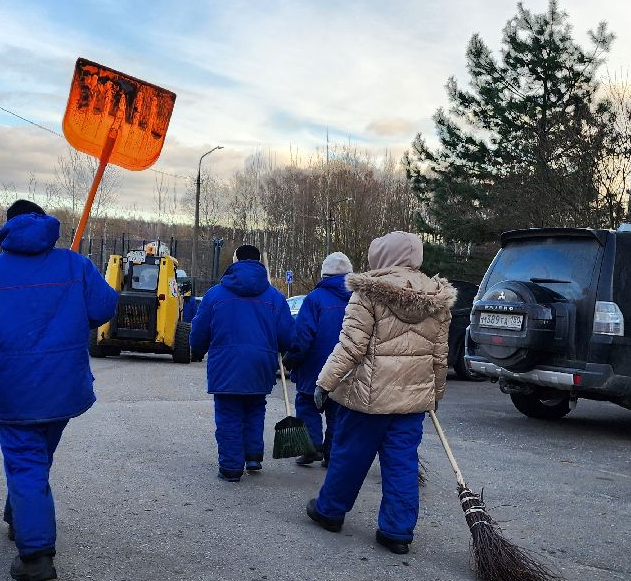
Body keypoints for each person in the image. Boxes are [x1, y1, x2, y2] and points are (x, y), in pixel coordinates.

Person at [0, 200, 118, 581]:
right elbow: (104, 307)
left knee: (25, 461)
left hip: (13, 386)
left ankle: (35, 555)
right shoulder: (75, 265)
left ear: (7, 228)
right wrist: (73, 302)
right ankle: (20, 514)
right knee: (35, 457)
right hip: (64, 385)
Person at [306, 231, 454, 554]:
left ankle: (329, 511)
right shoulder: (437, 298)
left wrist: (324, 382)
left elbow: (351, 346)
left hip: (368, 399)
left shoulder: (368, 293)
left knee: (350, 456)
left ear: (381, 257)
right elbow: (439, 357)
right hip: (412, 403)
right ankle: (396, 532)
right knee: (402, 463)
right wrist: (435, 394)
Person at [189, 243, 295, 481]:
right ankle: (253, 455)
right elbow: (288, 336)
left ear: (235, 262)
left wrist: (197, 349)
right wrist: (283, 348)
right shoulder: (275, 297)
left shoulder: (215, 295)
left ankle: (231, 467)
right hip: (261, 363)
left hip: (226, 364)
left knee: (229, 414)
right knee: (255, 408)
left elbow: (199, 331)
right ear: (259, 263)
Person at [287, 251, 353, 467]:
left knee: (307, 405)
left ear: (324, 275)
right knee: (337, 411)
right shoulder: (359, 300)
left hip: (314, 366)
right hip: (346, 368)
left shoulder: (315, 299)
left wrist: (292, 359)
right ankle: (332, 453)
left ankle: (311, 447)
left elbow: (302, 336)